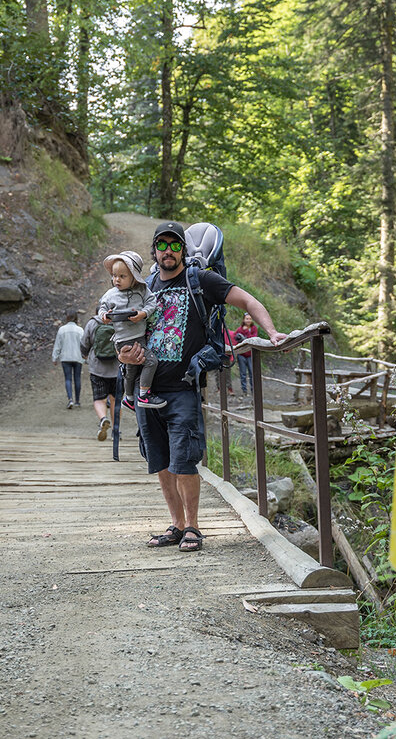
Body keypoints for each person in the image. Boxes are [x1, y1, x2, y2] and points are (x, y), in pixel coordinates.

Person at [119, 221, 287, 553]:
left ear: (184, 249)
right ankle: (177, 525)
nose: (168, 251)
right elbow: (124, 333)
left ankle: (193, 526)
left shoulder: (202, 281)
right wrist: (126, 355)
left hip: (182, 387)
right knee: (162, 462)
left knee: (184, 460)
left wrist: (271, 332)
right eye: (162, 245)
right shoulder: (145, 287)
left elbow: (248, 302)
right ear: (153, 251)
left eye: (175, 245)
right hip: (146, 389)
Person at [97, 251, 163, 409]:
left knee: (132, 369)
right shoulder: (110, 295)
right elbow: (102, 309)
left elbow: (151, 302)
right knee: (151, 361)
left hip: (139, 336)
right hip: (122, 339)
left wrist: (143, 313)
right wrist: (104, 316)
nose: (116, 280)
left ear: (133, 277)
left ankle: (130, 398)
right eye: (114, 276)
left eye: (122, 276)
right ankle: (144, 395)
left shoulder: (142, 290)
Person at [80, 317, 119, 441]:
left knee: (99, 399)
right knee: (115, 400)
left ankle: (103, 419)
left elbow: (84, 343)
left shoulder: (93, 323)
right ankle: (116, 431)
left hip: (97, 368)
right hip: (116, 368)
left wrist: (85, 354)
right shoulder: (120, 322)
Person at [51, 309, 84, 409]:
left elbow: (58, 345)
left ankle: (70, 399)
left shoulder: (62, 330)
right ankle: (77, 401)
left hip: (65, 357)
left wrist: (54, 357)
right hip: (77, 357)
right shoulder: (80, 330)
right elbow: (83, 345)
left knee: (68, 379)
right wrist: (86, 357)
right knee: (77, 378)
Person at [233, 312, 259, 396]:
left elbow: (253, 339)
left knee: (252, 373)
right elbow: (234, 337)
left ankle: (253, 390)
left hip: (250, 354)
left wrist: (246, 331)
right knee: (243, 373)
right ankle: (244, 391)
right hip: (241, 354)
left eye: (250, 319)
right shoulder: (239, 329)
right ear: (244, 319)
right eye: (247, 318)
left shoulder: (254, 328)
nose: (248, 320)